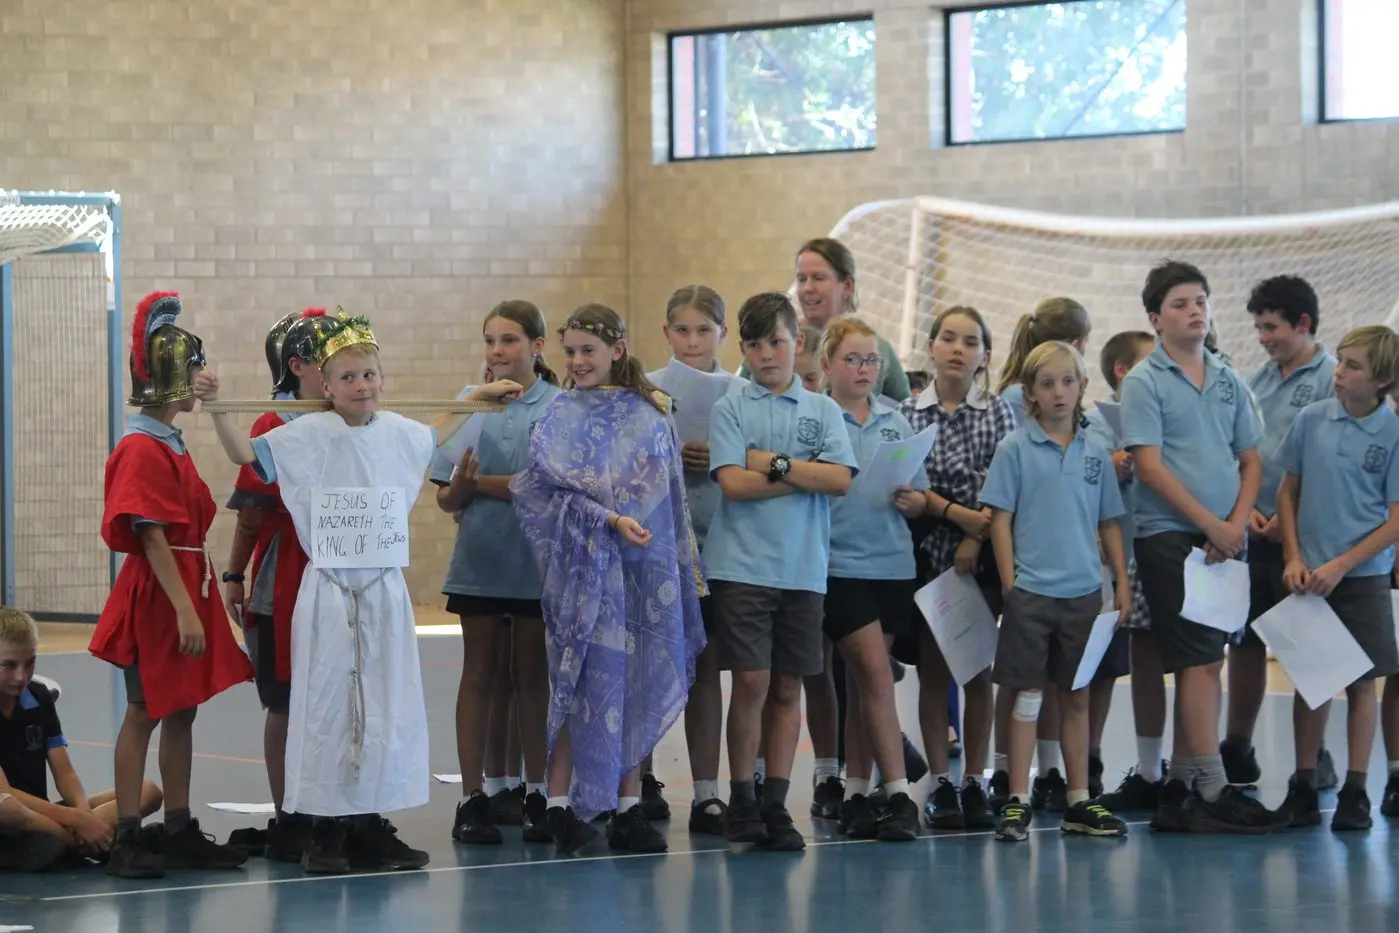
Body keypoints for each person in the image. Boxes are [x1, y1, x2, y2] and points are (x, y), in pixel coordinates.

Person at [199, 309, 521, 873]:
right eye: (348, 378)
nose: (361, 386)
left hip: (382, 596)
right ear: (325, 385)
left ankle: (370, 824)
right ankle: (323, 830)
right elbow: (245, 458)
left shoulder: (397, 432)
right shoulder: (304, 435)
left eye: (370, 375)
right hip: (327, 597)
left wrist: (480, 393)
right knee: (326, 708)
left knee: (382, 706)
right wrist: (218, 408)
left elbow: (443, 426)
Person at [510, 303, 706, 854]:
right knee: (573, 686)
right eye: (569, 352)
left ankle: (626, 808)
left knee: (634, 684)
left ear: (617, 351)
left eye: (587, 351)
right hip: (579, 577)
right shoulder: (557, 413)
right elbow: (539, 490)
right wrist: (606, 517)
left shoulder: (649, 414)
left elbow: (666, 498)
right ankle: (555, 806)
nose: (576, 362)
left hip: (639, 573)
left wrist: (638, 528)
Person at [90, 290, 254, 878]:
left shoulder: (168, 440)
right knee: (144, 709)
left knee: (182, 710)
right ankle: (127, 835)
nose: (198, 381)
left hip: (185, 584)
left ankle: (178, 826)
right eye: (190, 373)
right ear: (166, 379)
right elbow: (152, 536)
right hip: (162, 594)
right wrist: (185, 610)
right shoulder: (140, 447)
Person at [1120, 261, 1274, 833]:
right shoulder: (1144, 381)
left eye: (1202, 301)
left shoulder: (1228, 377)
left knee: (1208, 658)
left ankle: (1184, 785)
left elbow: (1251, 458)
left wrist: (1233, 524)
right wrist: (1211, 524)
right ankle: (1209, 787)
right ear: (1156, 319)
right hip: (1170, 536)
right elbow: (1151, 468)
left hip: (1222, 539)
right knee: (1198, 659)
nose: (1196, 311)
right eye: (1182, 303)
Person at [705, 292, 858, 851]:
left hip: (802, 569)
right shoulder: (731, 408)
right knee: (751, 681)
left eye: (778, 341)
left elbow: (840, 480)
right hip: (742, 566)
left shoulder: (823, 411)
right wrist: (803, 473)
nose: (768, 353)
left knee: (789, 685)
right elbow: (732, 485)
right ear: (743, 350)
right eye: (755, 343)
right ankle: (741, 799)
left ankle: (775, 803)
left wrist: (768, 461)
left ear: (798, 343)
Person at [982, 341, 1130, 842]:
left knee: (1077, 698)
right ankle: (1016, 801)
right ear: (1031, 393)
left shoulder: (1096, 455)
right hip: (1032, 595)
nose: (1059, 391)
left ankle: (1078, 801)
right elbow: (1000, 520)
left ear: (1083, 387)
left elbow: (1110, 524)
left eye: (1068, 381)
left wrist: (1121, 583)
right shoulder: (1014, 449)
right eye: (1047, 384)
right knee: (1025, 697)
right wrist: (1010, 583)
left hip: (1084, 596)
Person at [435, 300, 561, 846]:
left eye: (508, 340)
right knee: (479, 675)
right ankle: (472, 799)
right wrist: (463, 488)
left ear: (536, 347)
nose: (497, 352)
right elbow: (446, 494)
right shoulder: (469, 405)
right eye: (490, 341)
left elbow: (544, 487)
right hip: (480, 561)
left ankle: (537, 792)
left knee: (533, 678)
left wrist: (484, 484)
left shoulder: (559, 407)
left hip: (537, 565)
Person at [222, 308, 336, 863]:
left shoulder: (349, 419)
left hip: (339, 580)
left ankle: (336, 813)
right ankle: (290, 813)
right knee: (285, 702)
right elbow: (250, 512)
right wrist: (234, 575)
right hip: (281, 581)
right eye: (326, 360)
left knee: (331, 702)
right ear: (297, 367)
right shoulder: (273, 426)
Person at [1274, 325, 1399, 831]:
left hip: (1361, 578)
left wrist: (1342, 565)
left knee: (1362, 684)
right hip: (1309, 576)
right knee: (1311, 683)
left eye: (1352, 366)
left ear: (1382, 380)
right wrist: (1294, 556)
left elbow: (1395, 518)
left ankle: (1355, 790)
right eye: (1340, 361)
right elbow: (1287, 493)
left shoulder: (1393, 434)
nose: (1339, 372)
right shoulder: (1311, 420)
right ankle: (1304, 783)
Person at [898, 306, 1014, 831]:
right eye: (948, 338)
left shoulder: (998, 413)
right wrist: (944, 515)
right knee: (933, 670)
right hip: (925, 557)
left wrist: (973, 532)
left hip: (982, 558)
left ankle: (975, 781)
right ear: (931, 347)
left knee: (977, 670)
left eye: (970, 342)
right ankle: (941, 784)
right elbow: (907, 491)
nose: (957, 348)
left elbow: (1004, 486)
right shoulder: (906, 413)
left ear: (984, 357)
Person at [1224, 276, 1337, 789]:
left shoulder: (1335, 379)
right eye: (1258, 328)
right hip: (1251, 533)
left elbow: (1333, 464)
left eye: (1271, 327)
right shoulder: (1257, 381)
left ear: (1304, 324)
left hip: (1303, 541)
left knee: (1305, 648)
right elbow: (1238, 452)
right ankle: (1237, 747)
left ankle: (1318, 758)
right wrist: (1245, 508)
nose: (1264, 337)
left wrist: (1286, 521)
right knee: (1244, 642)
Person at [817, 316, 921, 842]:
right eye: (852, 359)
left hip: (892, 566)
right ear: (827, 365)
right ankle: (900, 795)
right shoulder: (817, 420)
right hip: (839, 566)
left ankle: (856, 792)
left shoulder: (895, 421)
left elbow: (919, 495)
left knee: (864, 683)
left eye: (871, 360)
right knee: (877, 676)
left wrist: (913, 499)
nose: (862, 369)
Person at [645, 285, 744, 835]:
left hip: (718, 546)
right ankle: (642, 781)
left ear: (722, 335)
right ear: (666, 334)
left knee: (705, 670)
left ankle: (707, 792)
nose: (692, 341)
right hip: (658, 549)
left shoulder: (740, 393)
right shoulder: (648, 391)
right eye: (681, 330)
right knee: (652, 667)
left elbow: (757, 466)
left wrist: (723, 457)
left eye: (703, 330)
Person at [0, 608, 163, 872]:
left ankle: (73, 843)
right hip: (14, 818)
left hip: (42, 819)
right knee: (6, 808)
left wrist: (83, 812)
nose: (22, 676)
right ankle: (89, 841)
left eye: (30, 663)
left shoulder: (39, 697)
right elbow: (6, 792)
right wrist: (75, 820)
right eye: (9, 666)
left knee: (148, 791)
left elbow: (65, 774)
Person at [1088, 331, 1168, 814]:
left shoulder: (1169, 409)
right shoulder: (1100, 423)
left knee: (1194, 660)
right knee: (1138, 658)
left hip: (1176, 544)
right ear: (1123, 372)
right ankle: (1149, 768)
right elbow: (1089, 464)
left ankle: (1192, 767)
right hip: (1125, 556)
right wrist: (1115, 462)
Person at [738, 238, 911, 401]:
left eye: (818, 278)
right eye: (801, 279)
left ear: (848, 286)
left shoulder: (878, 348)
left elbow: (906, 412)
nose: (807, 288)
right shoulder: (771, 342)